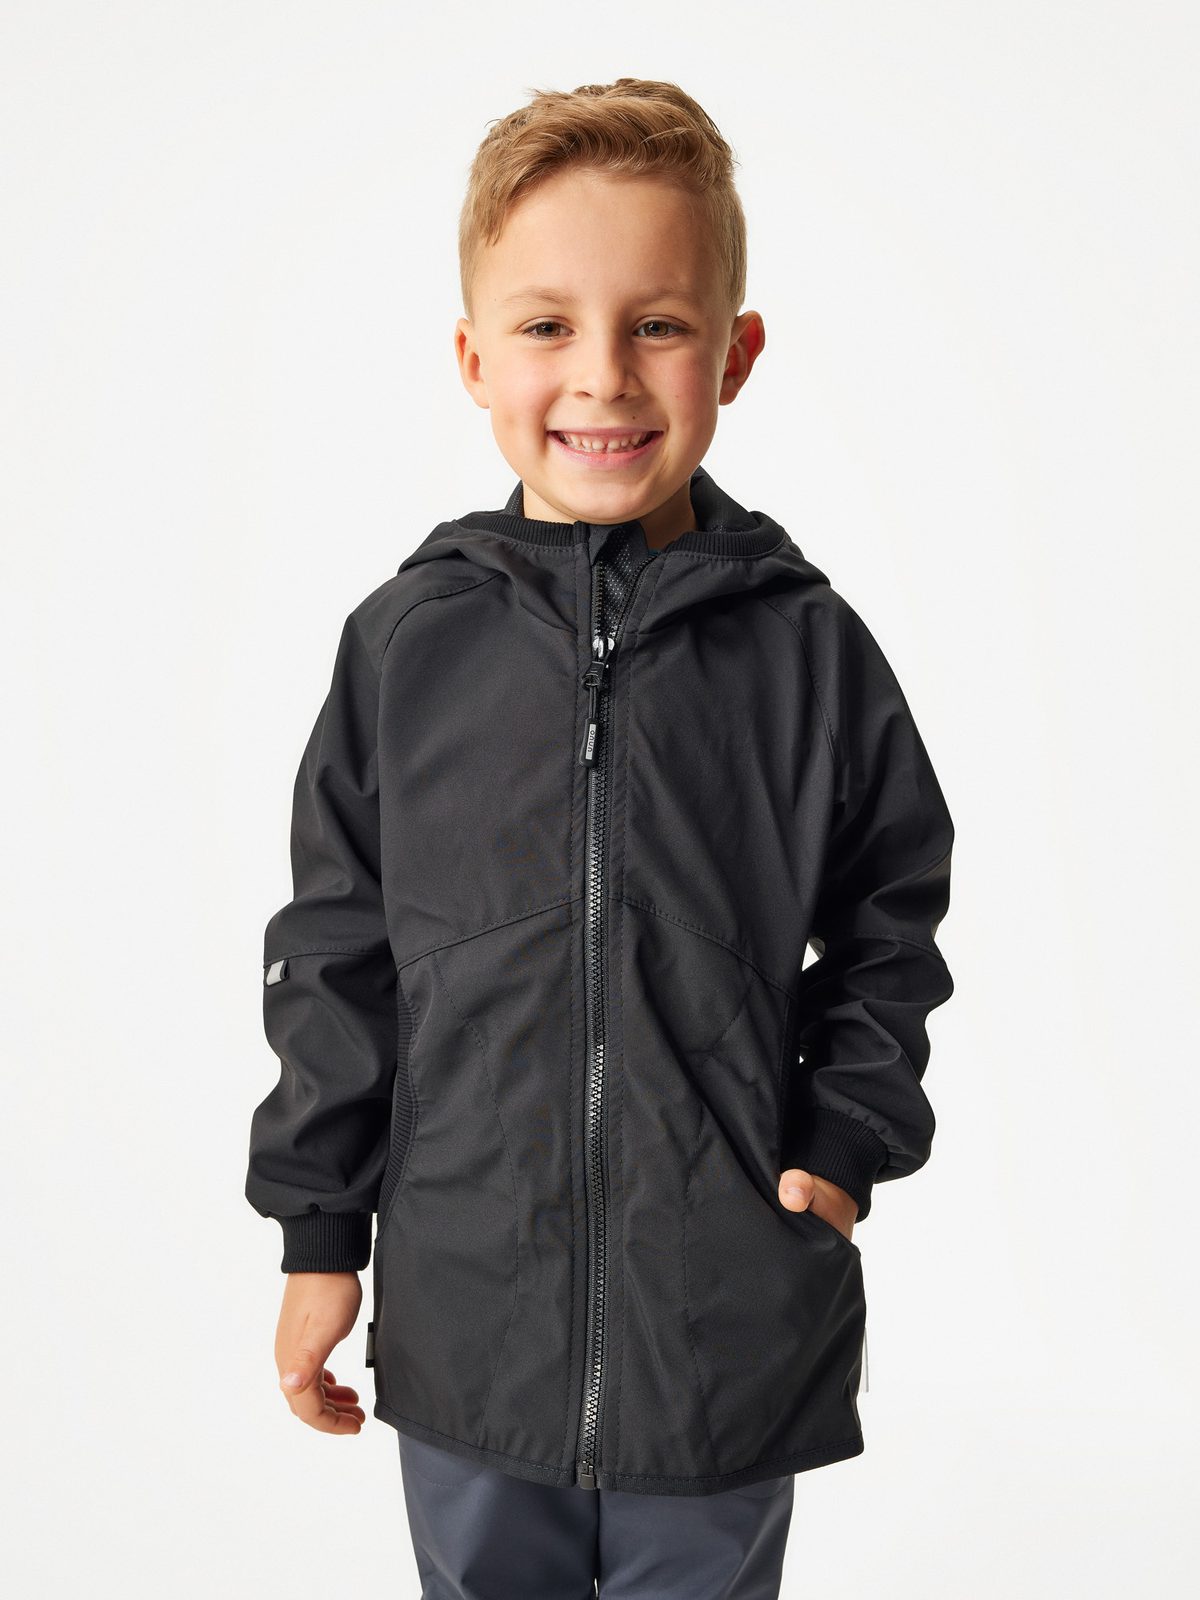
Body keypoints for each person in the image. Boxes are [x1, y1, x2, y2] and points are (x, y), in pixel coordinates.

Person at [245, 76, 955, 1599]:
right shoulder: (407, 645)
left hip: (723, 1315)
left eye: (659, 324)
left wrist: (843, 1142)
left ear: (735, 354)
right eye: (548, 325)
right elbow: (336, 951)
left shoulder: (807, 649)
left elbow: (894, 913)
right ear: (473, 357)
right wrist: (319, 1235)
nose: (604, 378)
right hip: (469, 1306)